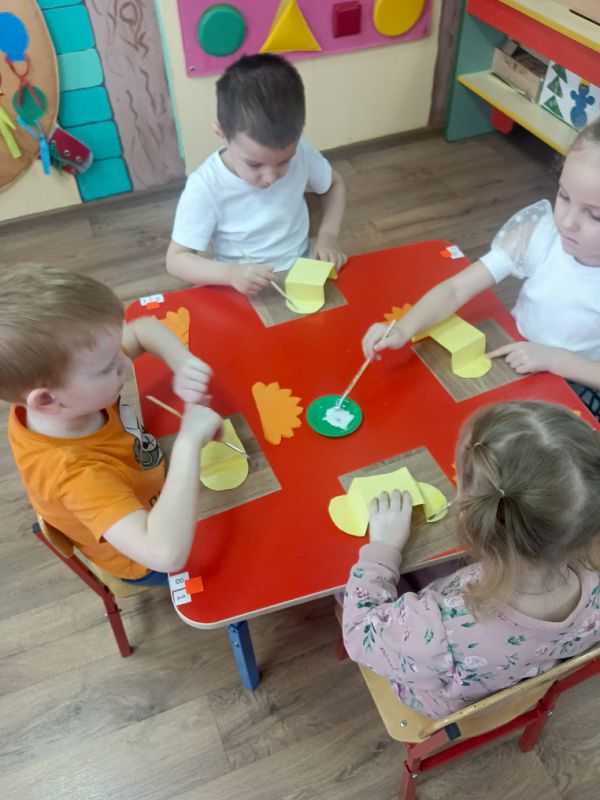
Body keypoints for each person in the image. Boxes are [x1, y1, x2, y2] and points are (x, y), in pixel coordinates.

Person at [342, 401, 600, 718]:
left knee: (342, 590)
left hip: (444, 696)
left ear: (471, 514)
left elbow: (358, 635)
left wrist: (382, 548)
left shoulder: (439, 627)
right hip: (520, 674)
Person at [362, 119, 600, 418]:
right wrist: (404, 328)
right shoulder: (540, 232)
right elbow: (455, 289)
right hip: (516, 356)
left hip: (577, 385)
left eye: (595, 216)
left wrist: (554, 359)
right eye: (564, 196)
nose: (566, 221)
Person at [4, 266, 223, 585]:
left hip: (146, 480)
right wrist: (188, 442)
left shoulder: (63, 393)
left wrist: (183, 363)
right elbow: (164, 553)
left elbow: (144, 329)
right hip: (145, 558)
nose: (125, 361)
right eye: (108, 367)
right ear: (47, 400)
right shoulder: (75, 475)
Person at [166, 53, 347, 296]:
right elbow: (176, 259)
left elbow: (333, 184)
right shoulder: (205, 187)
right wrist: (231, 274)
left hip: (303, 273)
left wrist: (328, 236)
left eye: (284, 161)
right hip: (242, 288)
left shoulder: (302, 152)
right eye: (254, 164)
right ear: (222, 134)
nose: (271, 177)